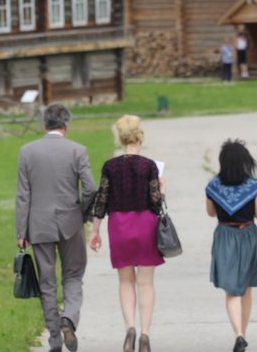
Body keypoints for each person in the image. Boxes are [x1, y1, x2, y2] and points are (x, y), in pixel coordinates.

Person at [15, 103, 97, 352]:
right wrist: (83, 213)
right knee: (73, 274)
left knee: (47, 281)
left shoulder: (27, 152)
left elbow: (23, 195)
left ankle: (54, 339)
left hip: (38, 224)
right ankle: (68, 318)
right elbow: (91, 188)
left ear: (44, 124)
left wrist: (21, 232)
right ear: (66, 125)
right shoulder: (77, 150)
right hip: (70, 222)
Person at [89, 115, 163, 352]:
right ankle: (145, 334)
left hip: (119, 225)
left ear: (120, 138)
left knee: (125, 281)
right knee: (146, 283)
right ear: (140, 135)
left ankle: (130, 328)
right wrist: (162, 188)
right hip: (145, 224)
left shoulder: (110, 166)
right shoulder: (149, 166)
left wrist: (95, 230)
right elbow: (156, 202)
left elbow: (102, 200)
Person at [205, 139, 257, 352]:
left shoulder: (213, 186)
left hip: (225, 236)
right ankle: (243, 334)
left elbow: (210, 213)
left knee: (231, 290)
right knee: (246, 288)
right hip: (248, 235)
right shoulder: (253, 187)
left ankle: (238, 334)